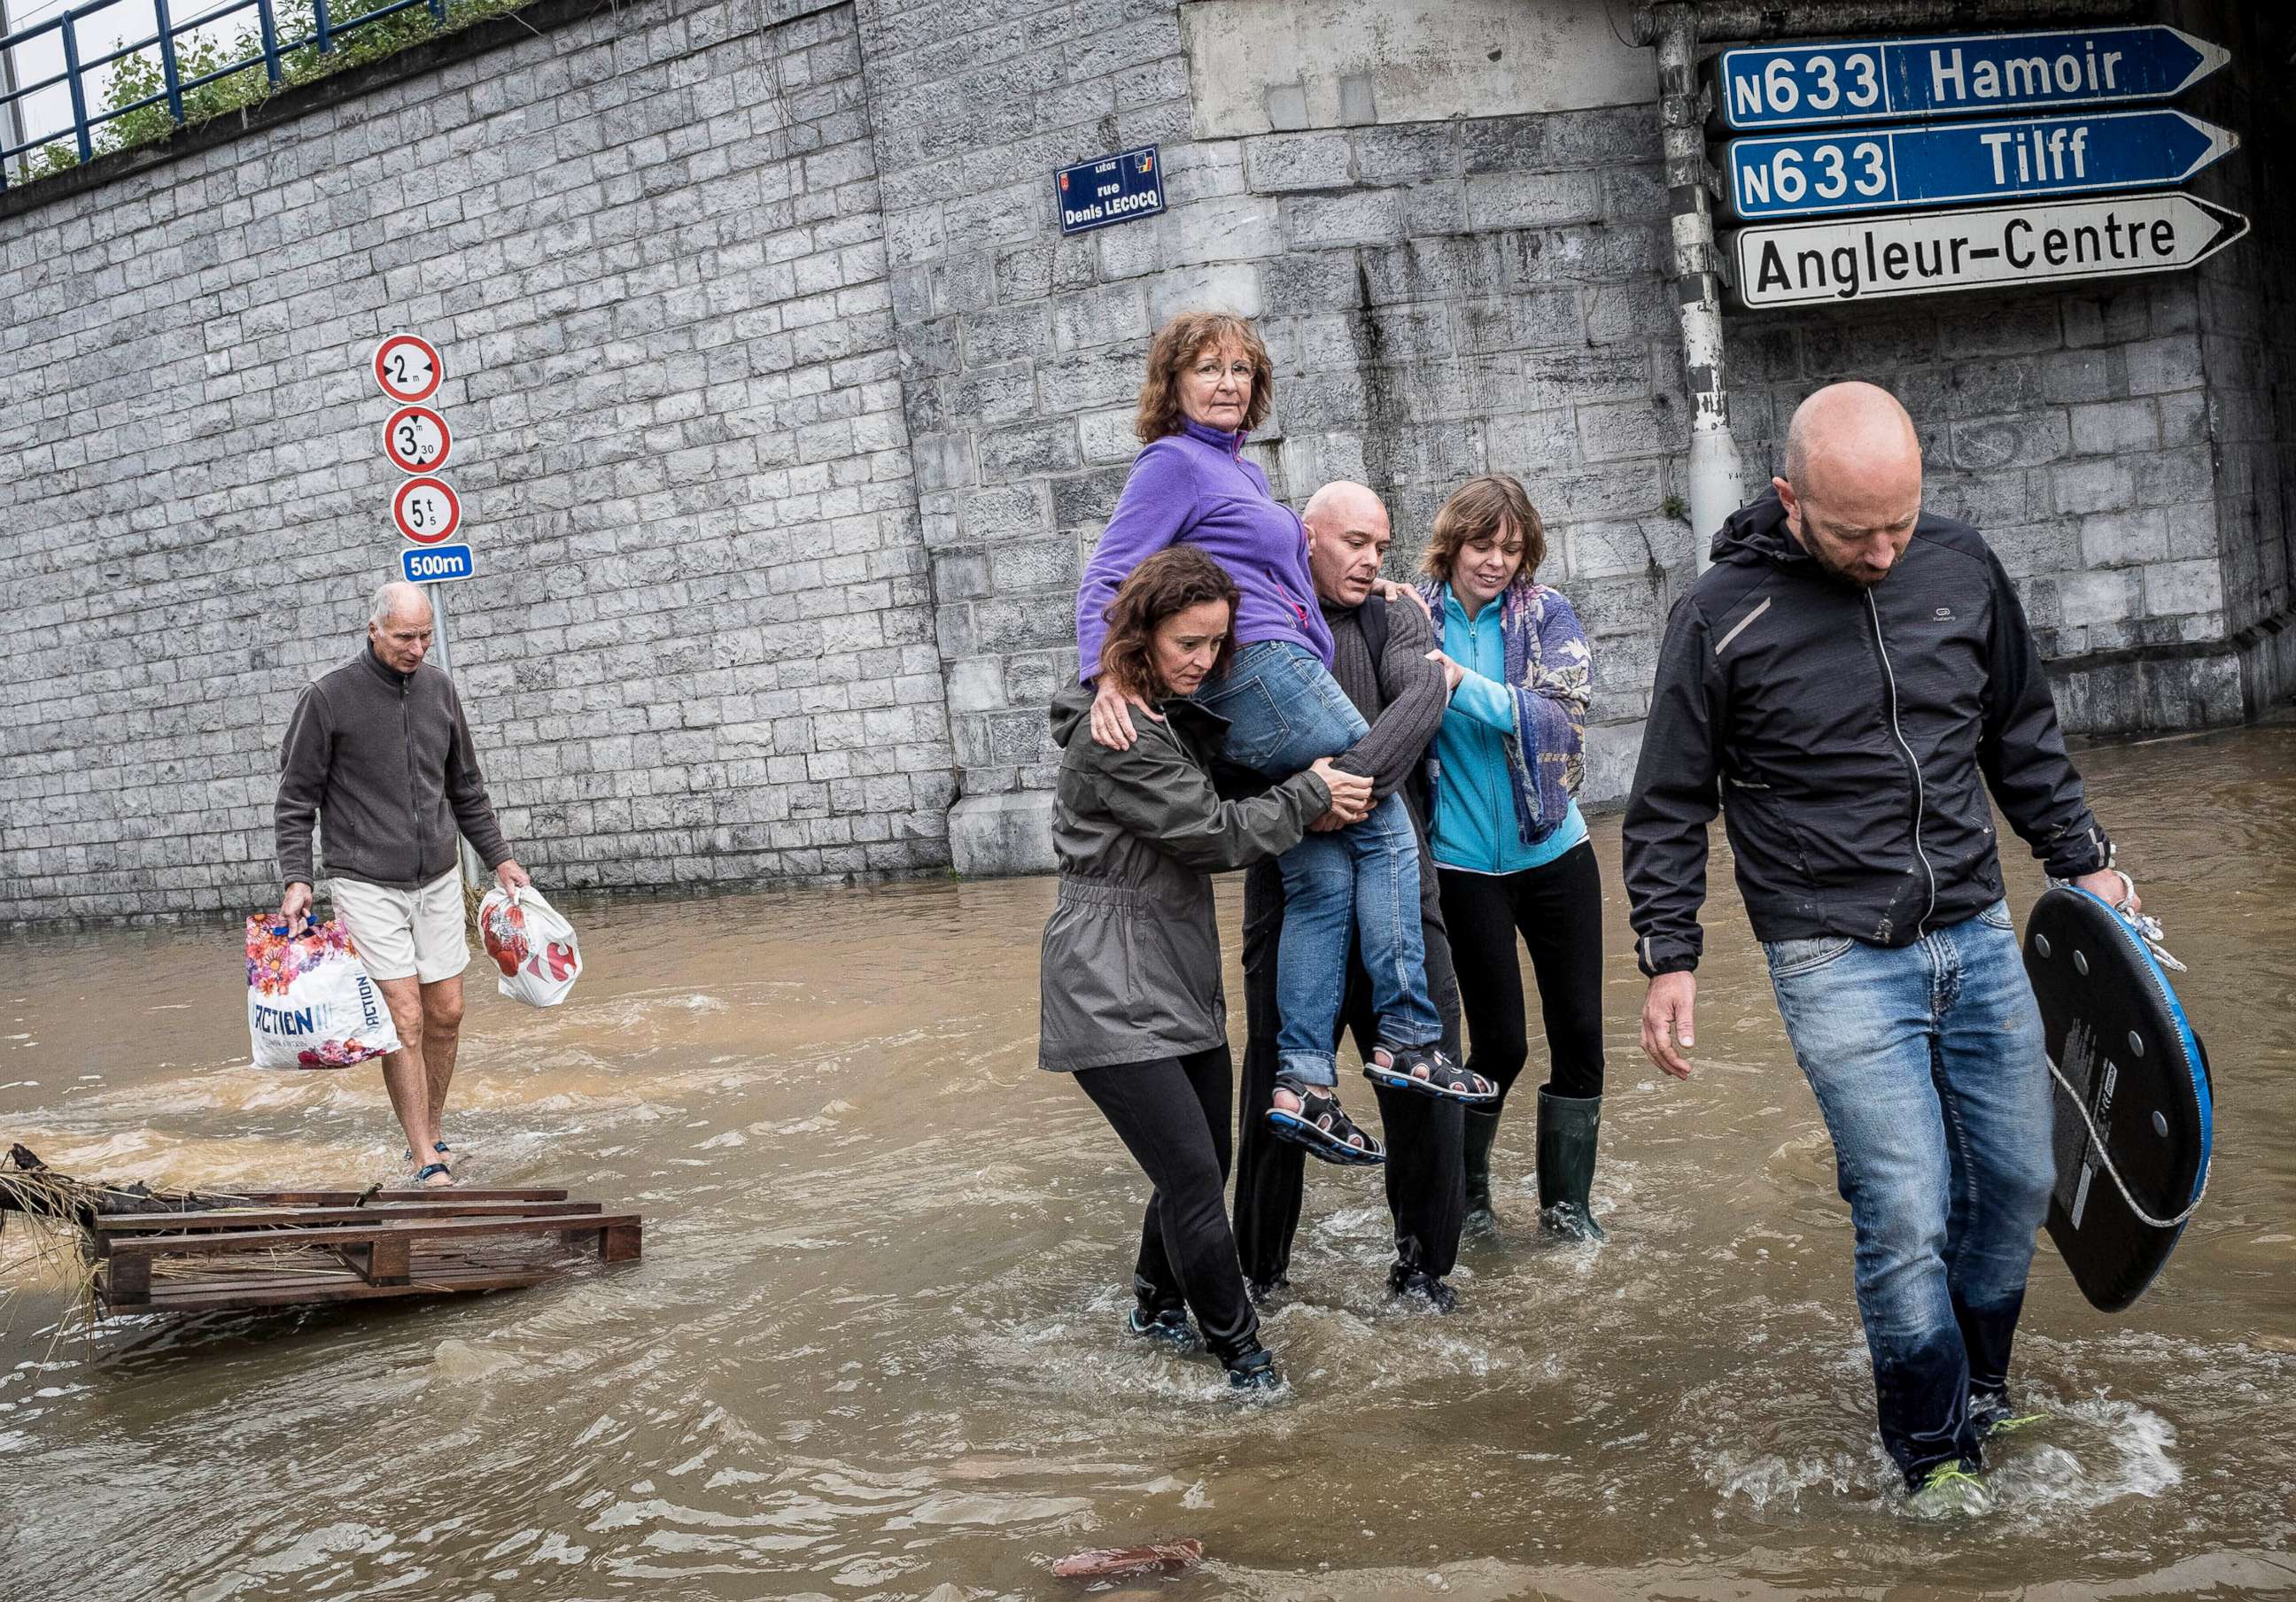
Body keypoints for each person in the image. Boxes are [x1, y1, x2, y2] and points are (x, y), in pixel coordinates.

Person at [1621, 381, 2137, 1508]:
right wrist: (1669, 953)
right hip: (1833, 952)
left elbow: (2022, 735)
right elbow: (1666, 799)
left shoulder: (1959, 566)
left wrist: (2082, 857)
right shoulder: (1721, 613)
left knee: (2016, 1180)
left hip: (1977, 927)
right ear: (1789, 498)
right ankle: (1931, 1453)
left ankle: (1981, 1396)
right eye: (1856, 531)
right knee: (1904, 1205)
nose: (1885, 550)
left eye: (1901, 521)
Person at [1075, 310, 1493, 1165]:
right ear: (1173, 383)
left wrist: (1380, 597)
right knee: (1385, 828)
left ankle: (1303, 1081)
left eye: (1240, 370)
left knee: (1322, 881)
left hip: (1261, 678)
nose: (1227, 383)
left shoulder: (1237, 470)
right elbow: (1109, 575)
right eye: (1207, 368)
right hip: (1264, 673)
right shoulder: (1171, 463)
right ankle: (1410, 1039)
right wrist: (1106, 674)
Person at [1042, 547, 1373, 1389]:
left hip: (1175, 972)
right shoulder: (1117, 734)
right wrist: (1311, 792)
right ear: (1142, 635)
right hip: (1106, 985)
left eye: (1218, 644)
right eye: (1188, 642)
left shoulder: (1155, 707)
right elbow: (1215, 835)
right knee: (1192, 1178)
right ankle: (1248, 1364)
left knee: (1197, 1166)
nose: (1205, 660)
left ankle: (1155, 1305)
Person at [1231, 481, 1470, 1310]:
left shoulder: (1395, 615)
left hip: (1405, 897)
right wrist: (1305, 799)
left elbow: (1421, 697)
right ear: (1305, 539)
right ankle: (1258, 1279)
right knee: (1278, 1091)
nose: (1371, 560)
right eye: (1354, 543)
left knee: (1428, 1090)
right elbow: (1226, 753)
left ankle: (1423, 1273)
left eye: (1381, 545)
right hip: (1296, 899)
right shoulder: (1256, 621)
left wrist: (1336, 789)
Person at [275, 581, 530, 1188]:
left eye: (425, 636)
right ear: (373, 630)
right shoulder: (328, 697)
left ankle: (431, 1127)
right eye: (404, 637)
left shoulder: (441, 689)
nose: (417, 647)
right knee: (404, 1017)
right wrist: (297, 878)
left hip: (438, 877)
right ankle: (424, 1156)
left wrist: (500, 858)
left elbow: (465, 785)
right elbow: (295, 799)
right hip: (365, 882)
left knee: (448, 1010)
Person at [1416, 475, 1606, 1241]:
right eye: (1481, 544)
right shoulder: (1410, 618)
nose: (1495, 561)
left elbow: (1564, 716)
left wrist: (1463, 684)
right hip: (1463, 867)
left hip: (1556, 854)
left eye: (1511, 547)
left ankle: (1566, 1209)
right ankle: (1467, 1201)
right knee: (1498, 1043)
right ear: (1452, 543)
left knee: (1580, 1036)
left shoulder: (1547, 612)